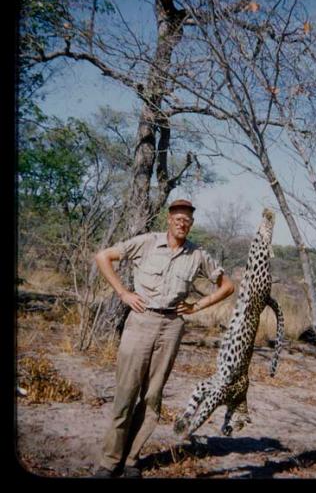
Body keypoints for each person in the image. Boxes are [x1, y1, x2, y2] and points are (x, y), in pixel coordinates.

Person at [92, 199, 234, 478]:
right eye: (178, 218)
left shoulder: (197, 255)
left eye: (188, 220)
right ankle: (110, 462)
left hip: (172, 326)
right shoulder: (147, 242)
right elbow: (103, 257)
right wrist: (123, 293)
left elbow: (227, 286)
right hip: (141, 321)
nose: (183, 223)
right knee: (125, 394)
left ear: (191, 224)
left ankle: (132, 459)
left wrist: (198, 305)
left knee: (152, 396)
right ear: (169, 219)